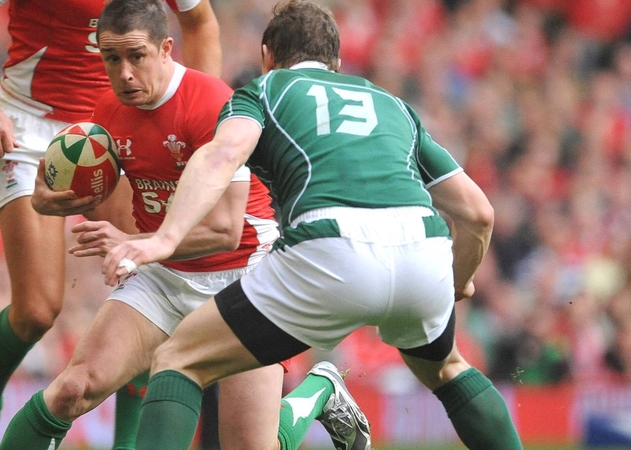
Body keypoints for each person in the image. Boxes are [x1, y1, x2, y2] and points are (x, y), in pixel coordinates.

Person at [102, 1, 525, 449]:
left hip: (327, 249)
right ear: (337, 64)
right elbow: (478, 214)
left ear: (267, 56)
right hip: (422, 249)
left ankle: (318, 387)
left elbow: (223, 155)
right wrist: (457, 281)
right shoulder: (394, 107)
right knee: (447, 368)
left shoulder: (265, 90)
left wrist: (165, 238)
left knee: (177, 358)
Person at [0, 0, 221, 448]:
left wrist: (197, 125)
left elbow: (200, 21)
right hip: (30, 130)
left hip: (122, 127)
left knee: (150, 282)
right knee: (37, 312)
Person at [0, 0, 285, 448]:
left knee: (248, 445)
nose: (124, 72)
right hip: (165, 277)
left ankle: (320, 392)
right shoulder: (107, 111)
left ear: (167, 48)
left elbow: (226, 230)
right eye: (112, 58)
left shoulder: (213, 104)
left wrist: (135, 242)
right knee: (73, 388)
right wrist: (49, 202)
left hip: (242, 280)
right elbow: (97, 192)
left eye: (136, 56)